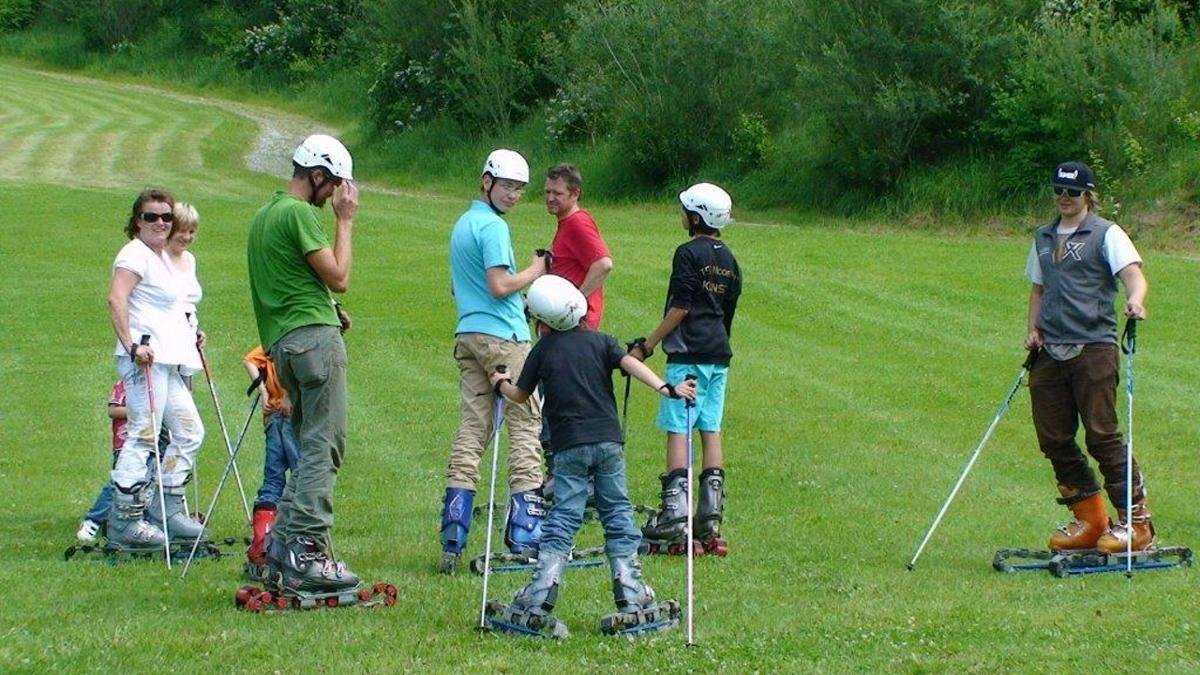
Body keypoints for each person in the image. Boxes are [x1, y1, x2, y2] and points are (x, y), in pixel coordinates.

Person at [487, 275, 694, 636]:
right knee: (616, 509)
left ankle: (541, 590)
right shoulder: (602, 342)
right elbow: (631, 365)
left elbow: (520, 396)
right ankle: (629, 588)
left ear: (542, 322)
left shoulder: (544, 350)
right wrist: (667, 388)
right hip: (609, 443)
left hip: (569, 447)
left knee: (565, 514)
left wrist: (499, 383)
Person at [247, 133, 360, 594]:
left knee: (305, 445)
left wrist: (326, 309)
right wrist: (346, 223)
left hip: (284, 346)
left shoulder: (264, 216)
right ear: (316, 175)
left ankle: (279, 547)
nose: (334, 195)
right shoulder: (298, 213)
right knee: (323, 446)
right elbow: (339, 277)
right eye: (332, 185)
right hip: (314, 344)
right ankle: (307, 550)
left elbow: (287, 279)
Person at [1024, 161, 1153, 553]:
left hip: (1093, 347)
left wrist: (1135, 300)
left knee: (1102, 436)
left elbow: (1133, 274)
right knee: (1053, 437)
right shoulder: (1043, 237)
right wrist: (1032, 330)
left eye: (1073, 193)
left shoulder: (1107, 233)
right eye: (1059, 192)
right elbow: (1038, 289)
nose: (1064, 199)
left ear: (1088, 196)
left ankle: (1137, 523)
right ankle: (1091, 519)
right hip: (1049, 351)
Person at [440, 149, 547, 574]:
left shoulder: (463, 224)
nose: (514, 195)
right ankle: (525, 533)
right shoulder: (493, 227)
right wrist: (536, 270)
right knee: (525, 423)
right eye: (507, 186)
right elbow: (500, 284)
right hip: (505, 337)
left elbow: (458, 286)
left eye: (520, 189)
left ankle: (454, 530)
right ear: (486, 181)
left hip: (468, 333)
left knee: (472, 428)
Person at [629, 183, 742, 556]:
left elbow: (680, 307)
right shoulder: (729, 259)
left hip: (688, 352)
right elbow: (726, 312)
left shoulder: (687, 254)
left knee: (679, 427)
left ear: (696, 217)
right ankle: (710, 515)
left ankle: (675, 513)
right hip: (718, 353)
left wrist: (648, 344)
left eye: (685, 211)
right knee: (711, 427)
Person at [106, 188, 207, 547]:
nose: (161, 223)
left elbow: (174, 305)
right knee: (144, 434)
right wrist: (132, 344)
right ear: (138, 221)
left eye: (166, 216)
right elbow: (116, 298)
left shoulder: (163, 256)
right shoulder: (134, 254)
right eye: (152, 216)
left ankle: (167, 508)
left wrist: (192, 330)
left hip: (169, 359)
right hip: (144, 357)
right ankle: (124, 520)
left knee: (190, 432)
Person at [76, 381, 168, 544]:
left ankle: (133, 522)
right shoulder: (128, 383)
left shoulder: (159, 384)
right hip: (127, 443)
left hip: (151, 443)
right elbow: (113, 410)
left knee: (144, 486)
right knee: (119, 485)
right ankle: (93, 521)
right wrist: (142, 412)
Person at [242, 346, 300, 572]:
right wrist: (287, 394)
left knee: (273, 481)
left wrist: (264, 392)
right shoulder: (292, 341)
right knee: (302, 476)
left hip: (272, 417)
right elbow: (295, 368)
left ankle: (261, 547)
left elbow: (248, 360)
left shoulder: (269, 344)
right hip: (292, 414)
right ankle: (297, 544)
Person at [543, 163, 612, 330]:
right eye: (547, 192)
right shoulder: (567, 222)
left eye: (557, 193)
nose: (550, 198)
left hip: (575, 326)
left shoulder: (577, 222)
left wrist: (574, 303)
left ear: (575, 194)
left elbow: (604, 264)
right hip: (565, 324)